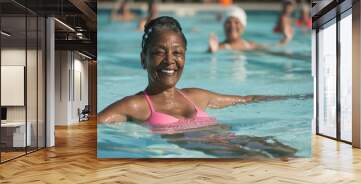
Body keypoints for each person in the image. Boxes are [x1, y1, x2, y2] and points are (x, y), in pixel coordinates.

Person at [98, 16, 309, 131]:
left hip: (237, 144)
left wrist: (301, 97)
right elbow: (92, 128)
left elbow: (247, 99)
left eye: (177, 52)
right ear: (143, 59)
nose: (170, 60)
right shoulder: (135, 105)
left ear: (185, 57)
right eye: (159, 52)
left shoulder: (196, 97)